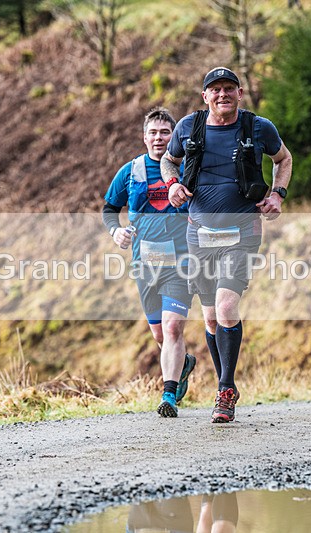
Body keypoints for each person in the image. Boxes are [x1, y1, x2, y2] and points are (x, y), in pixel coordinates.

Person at [162, 67, 292, 423]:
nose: (223, 95)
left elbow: (284, 159)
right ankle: (225, 386)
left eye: (229, 89)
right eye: (215, 89)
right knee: (210, 317)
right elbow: (168, 160)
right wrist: (172, 184)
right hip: (198, 233)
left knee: (225, 306)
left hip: (243, 231)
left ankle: (225, 388)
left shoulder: (258, 127)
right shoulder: (189, 126)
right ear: (205, 96)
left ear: (240, 93)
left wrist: (278, 195)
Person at [102, 107, 196, 418]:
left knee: (172, 327)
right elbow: (108, 209)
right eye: (153, 133)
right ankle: (184, 364)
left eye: (165, 133)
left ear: (174, 137)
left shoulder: (186, 169)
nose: (159, 138)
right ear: (145, 138)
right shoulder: (130, 171)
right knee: (159, 334)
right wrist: (116, 232)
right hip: (145, 264)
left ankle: (168, 395)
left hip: (181, 263)